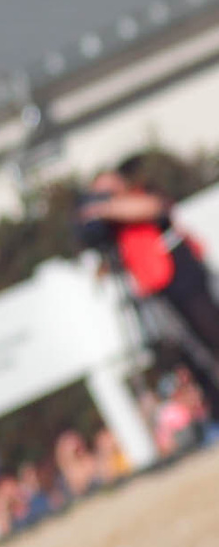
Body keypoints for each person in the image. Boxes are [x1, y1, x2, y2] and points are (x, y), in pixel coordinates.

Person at [76, 157, 219, 417]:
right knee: (188, 353)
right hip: (157, 286)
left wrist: (103, 208)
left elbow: (151, 208)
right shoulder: (114, 223)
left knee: (213, 332)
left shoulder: (141, 194)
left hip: (183, 273)